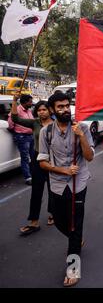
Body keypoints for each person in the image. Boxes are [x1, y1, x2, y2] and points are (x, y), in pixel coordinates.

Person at [37, 91, 94, 287]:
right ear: (52, 110)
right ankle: (75, 239)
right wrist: (62, 170)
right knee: (61, 222)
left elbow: (90, 157)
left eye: (66, 105)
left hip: (79, 184)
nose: (64, 109)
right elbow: (42, 162)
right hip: (58, 184)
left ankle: (73, 270)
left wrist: (81, 136)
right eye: (60, 107)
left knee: (75, 225)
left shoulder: (82, 128)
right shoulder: (47, 132)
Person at [11, 94, 55, 235]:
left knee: (52, 189)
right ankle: (34, 221)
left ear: (50, 110)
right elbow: (15, 119)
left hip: (52, 160)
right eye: (39, 110)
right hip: (37, 159)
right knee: (36, 191)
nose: (41, 112)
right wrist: (14, 101)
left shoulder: (56, 124)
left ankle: (53, 214)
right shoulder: (35, 122)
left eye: (44, 109)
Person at [8, 94, 34, 185]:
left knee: (33, 156)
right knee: (25, 158)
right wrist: (15, 132)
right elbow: (11, 123)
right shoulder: (17, 110)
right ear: (25, 102)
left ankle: (34, 174)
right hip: (22, 137)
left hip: (30, 136)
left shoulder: (29, 110)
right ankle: (28, 177)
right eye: (30, 102)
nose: (31, 103)